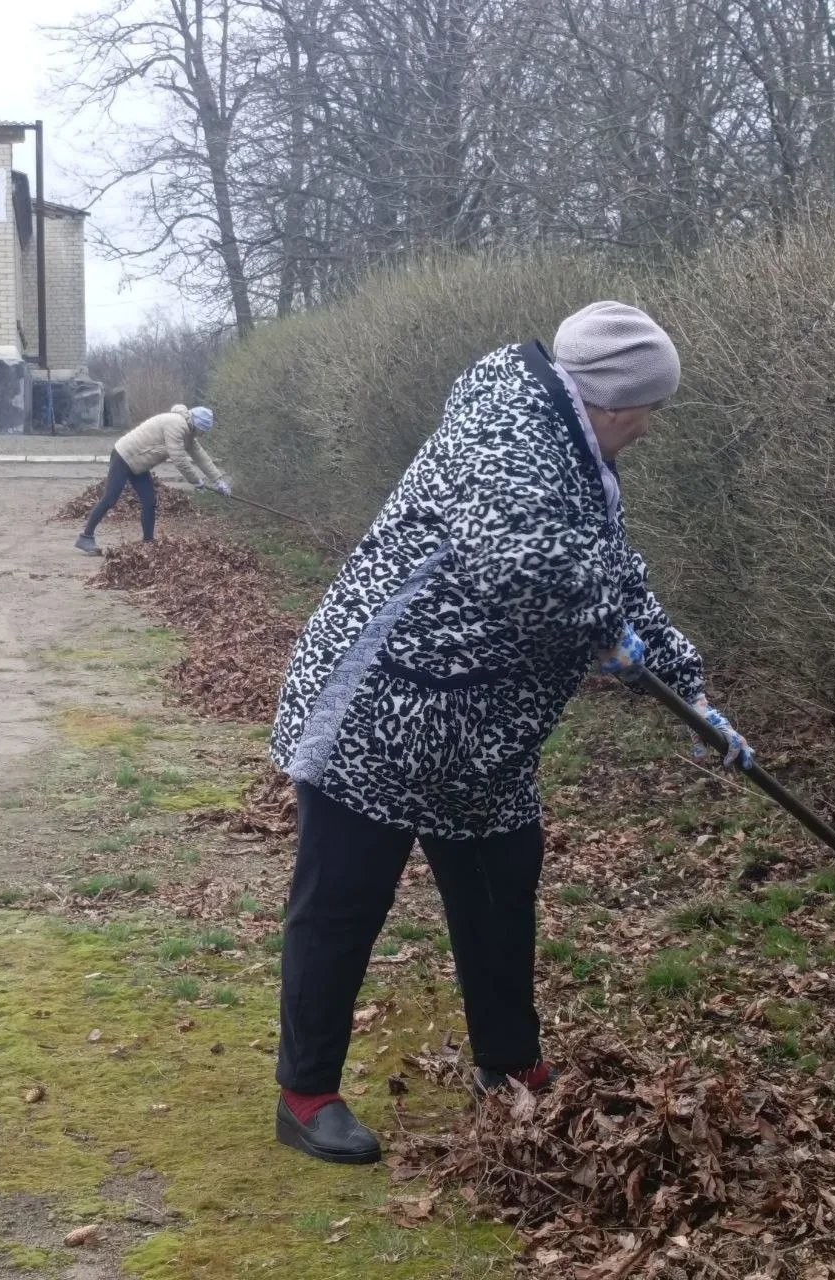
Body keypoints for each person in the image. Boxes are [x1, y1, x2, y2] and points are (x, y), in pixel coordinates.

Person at [268, 302, 753, 1165]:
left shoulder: (578, 453)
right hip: (379, 709)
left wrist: (690, 688)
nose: (650, 428)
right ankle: (305, 1095)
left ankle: (509, 1065)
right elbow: (519, 563)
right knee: (341, 903)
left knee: (500, 890)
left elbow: (614, 574)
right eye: (649, 409)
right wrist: (602, 630)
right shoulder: (506, 431)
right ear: (612, 400)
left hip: (482, 734)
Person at [75, 404, 231, 554]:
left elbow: (200, 455)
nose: (202, 434)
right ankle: (86, 537)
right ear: (197, 425)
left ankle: (148, 542)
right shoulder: (177, 425)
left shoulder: (188, 432)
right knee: (110, 499)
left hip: (138, 463)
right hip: (124, 456)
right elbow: (179, 459)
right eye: (202, 430)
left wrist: (218, 480)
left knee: (149, 501)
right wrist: (196, 481)